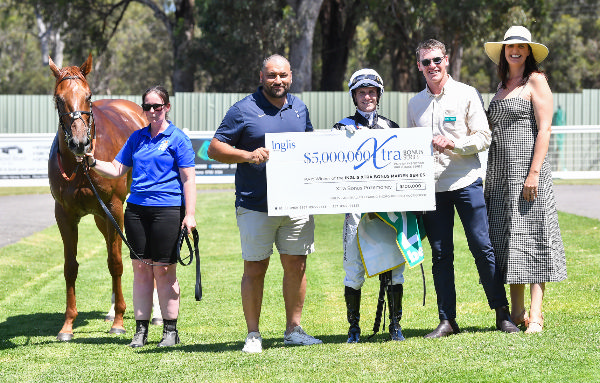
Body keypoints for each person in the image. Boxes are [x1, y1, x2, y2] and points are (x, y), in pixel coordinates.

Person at [207, 54, 321, 353]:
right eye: (272, 75)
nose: (278, 81)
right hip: (256, 204)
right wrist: (247, 155)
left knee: (296, 265)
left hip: (296, 204)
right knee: (255, 269)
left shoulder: (300, 109)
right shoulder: (243, 109)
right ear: (262, 77)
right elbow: (214, 148)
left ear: (291, 77)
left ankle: (293, 330)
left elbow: (310, 148)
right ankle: (254, 335)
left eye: (283, 75)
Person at [407, 39, 519, 338]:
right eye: (426, 62)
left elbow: (484, 137)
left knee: (482, 248)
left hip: (466, 182)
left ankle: (502, 314)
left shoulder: (466, 93)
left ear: (446, 59)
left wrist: (454, 143)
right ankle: (447, 320)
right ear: (419, 65)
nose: (432, 66)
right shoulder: (414, 103)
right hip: (433, 190)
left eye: (436, 60)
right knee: (441, 255)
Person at [85, 85, 197, 347]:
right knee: (140, 270)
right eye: (147, 107)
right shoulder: (137, 138)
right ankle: (141, 331)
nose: (152, 111)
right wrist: (91, 162)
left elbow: (189, 178)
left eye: (157, 106)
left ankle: (170, 331)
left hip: (168, 210)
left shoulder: (178, 138)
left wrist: (189, 214)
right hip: (136, 211)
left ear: (167, 107)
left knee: (165, 270)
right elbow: (115, 169)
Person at [483, 26, 567, 333]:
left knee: (534, 238)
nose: (514, 50)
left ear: (529, 50)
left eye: (520, 46)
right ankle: (517, 312)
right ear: (504, 52)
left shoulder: (536, 80)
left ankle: (537, 314)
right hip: (500, 176)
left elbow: (544, 129)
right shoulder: (502, 85)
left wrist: (533, 173)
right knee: (507, 240)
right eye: (509, 46)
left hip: (528, 174)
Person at [332, 69, 406, 342]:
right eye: (362, 92)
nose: (367, 97)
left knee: (395, 268)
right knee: (353, 269)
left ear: (379, 95)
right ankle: (354, 328)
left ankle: (395, 325)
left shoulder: (392, 126)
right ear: (354, 96)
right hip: (356, 210)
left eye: (372, 92)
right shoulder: (341, 128)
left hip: (388, 211)